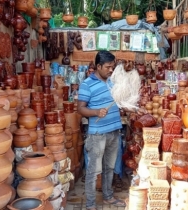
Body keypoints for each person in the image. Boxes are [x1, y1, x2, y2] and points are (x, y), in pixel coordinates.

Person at [77, 51, 146, 210]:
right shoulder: (87, 84)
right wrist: (95, 112)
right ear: (98, 66)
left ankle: (108, 196)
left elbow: (120, 102)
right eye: (108, 67)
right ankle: (90, 204)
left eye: (112, 67)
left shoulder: (113, 83)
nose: (110, 70)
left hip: (114, 131)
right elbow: (80, 108)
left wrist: (133, 109)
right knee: (94, 171)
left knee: (109, 167)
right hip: (97, 134)